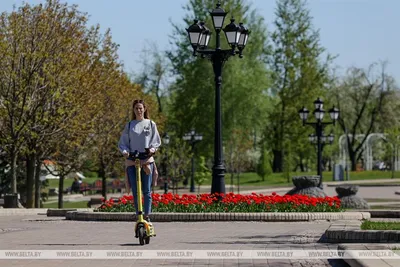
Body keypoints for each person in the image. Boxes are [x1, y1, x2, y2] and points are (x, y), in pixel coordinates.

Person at [118, 99, 161, 222]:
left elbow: (156, 141)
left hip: (146, 160)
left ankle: (147, 215)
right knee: (136, 190)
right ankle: (139, 215)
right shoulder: (130, 125)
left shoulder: (150, 124)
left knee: (146, 190)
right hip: (133, 161)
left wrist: (152, 149)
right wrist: (125, 151)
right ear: (133, 110)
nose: (139, 110)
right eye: (136, 108)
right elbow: (123, 143)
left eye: (141, 108)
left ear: (145, 109)